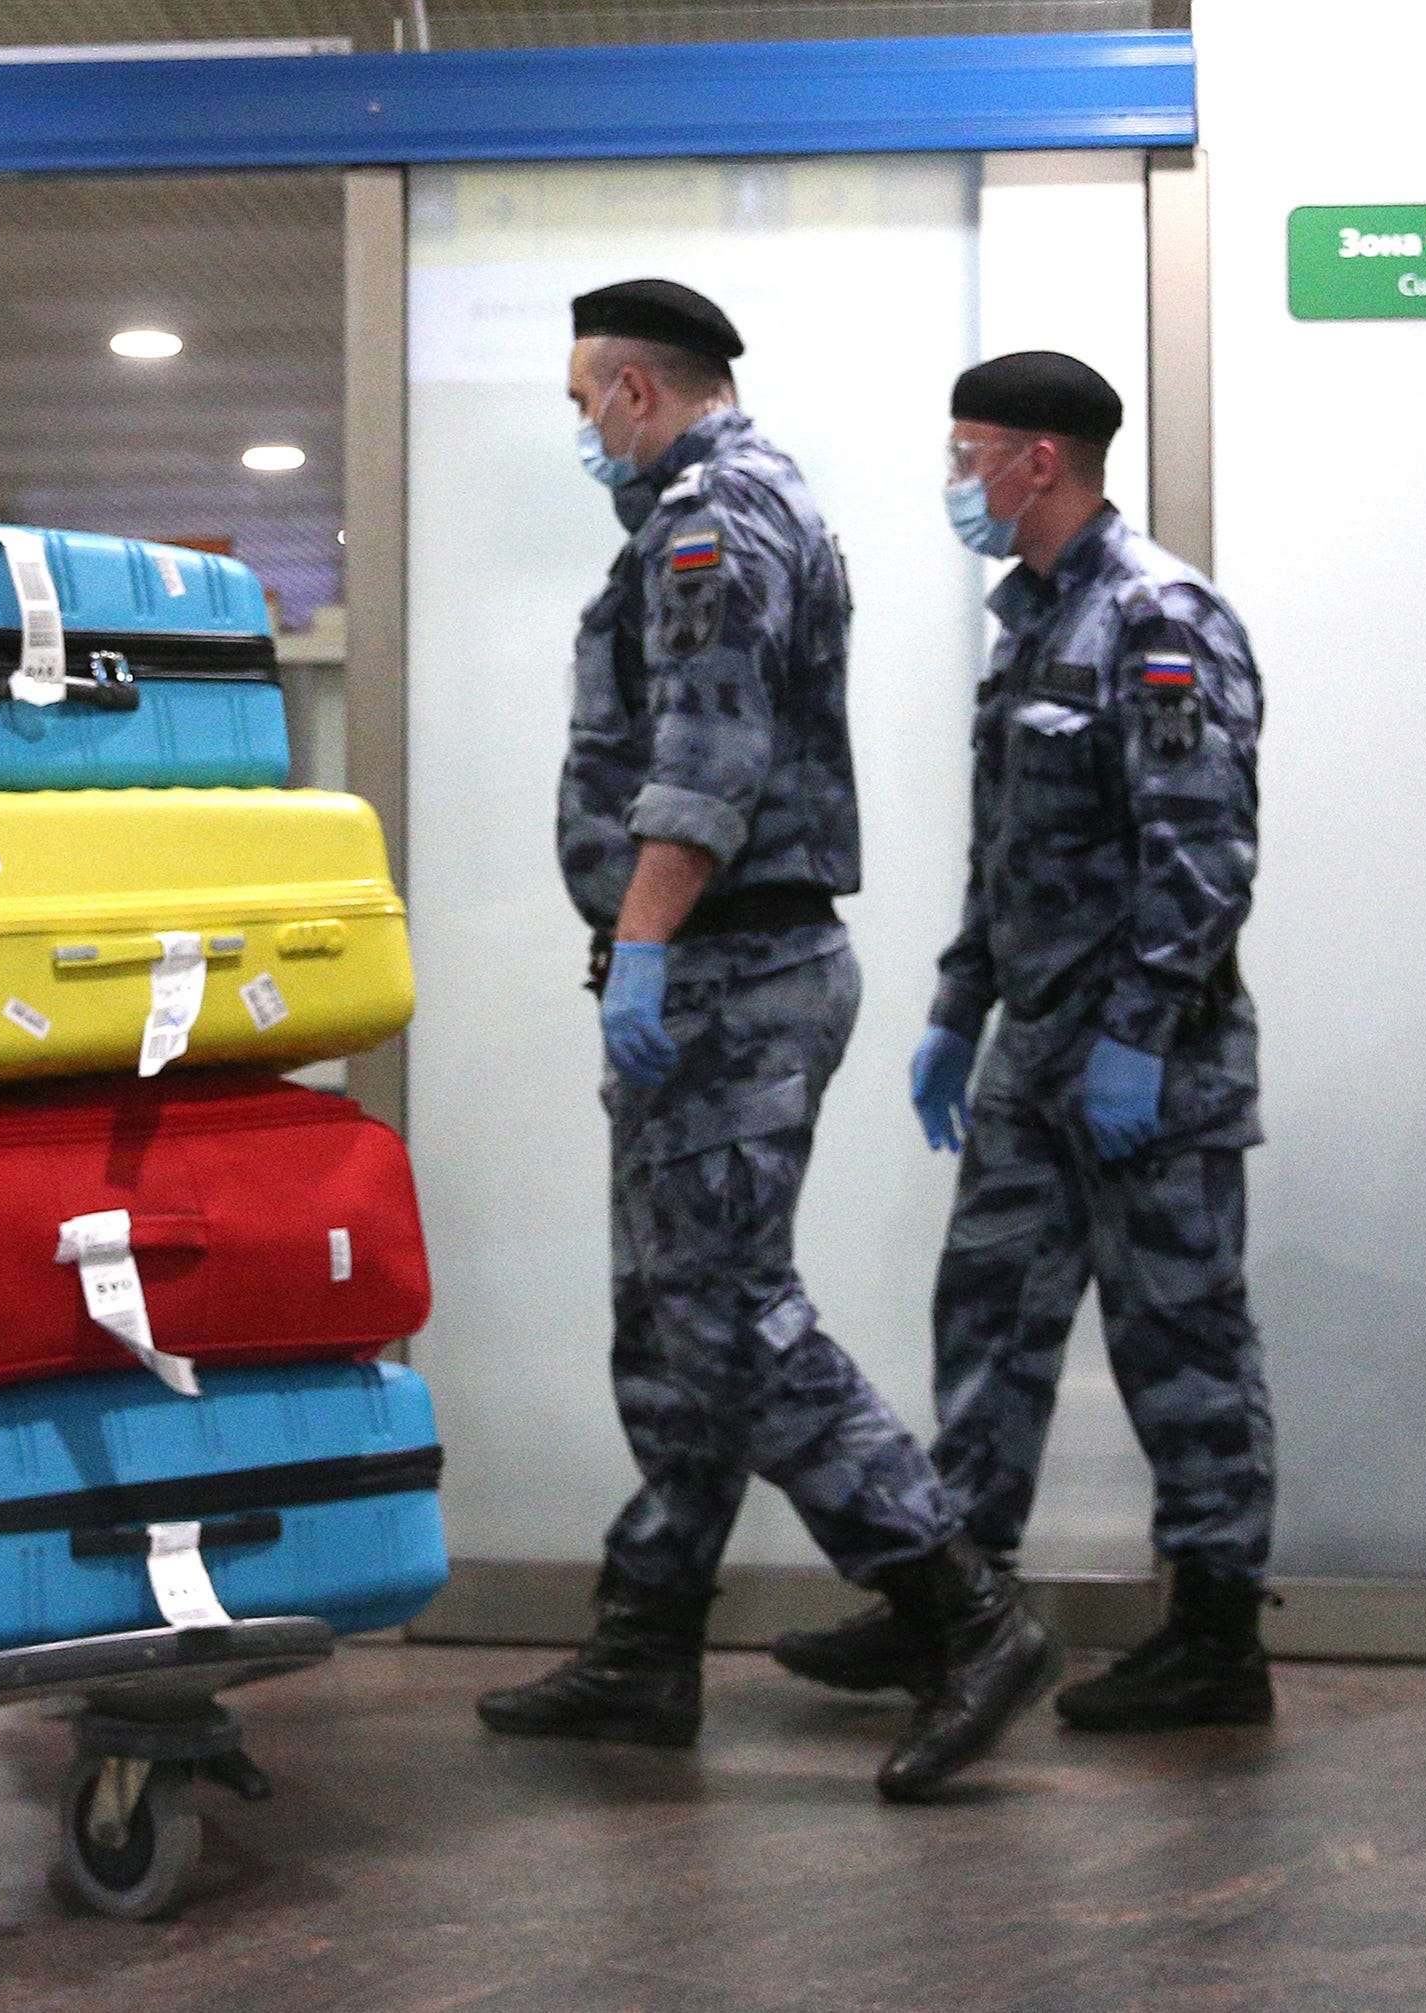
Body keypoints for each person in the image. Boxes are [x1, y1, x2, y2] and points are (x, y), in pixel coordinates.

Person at [474, 281, 1060, 1802]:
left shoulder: (711, 523)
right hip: (718, 967)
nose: (580, 430)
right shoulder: (726, 505)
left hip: (730, 968)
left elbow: (709, 761)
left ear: (633, 391)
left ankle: (959, 1606)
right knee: (669, 1320)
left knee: (730, 1314)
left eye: (579, 402)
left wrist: (649, 950)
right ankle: (649, 1640)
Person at [772, 351, 1277, 1732]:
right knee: (987, 1326)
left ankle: (1218, 1642)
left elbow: (1204, 852)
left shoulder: (1157, 615)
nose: (956, 482)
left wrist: (1140, 1032)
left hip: (1149, 1063)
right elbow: (1014, 852)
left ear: (1034, 461)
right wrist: (956, 1004)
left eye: (965, 454)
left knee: (1183, 1345)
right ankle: (955, 1607)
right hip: (1032, 1053)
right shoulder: (1033, 624)